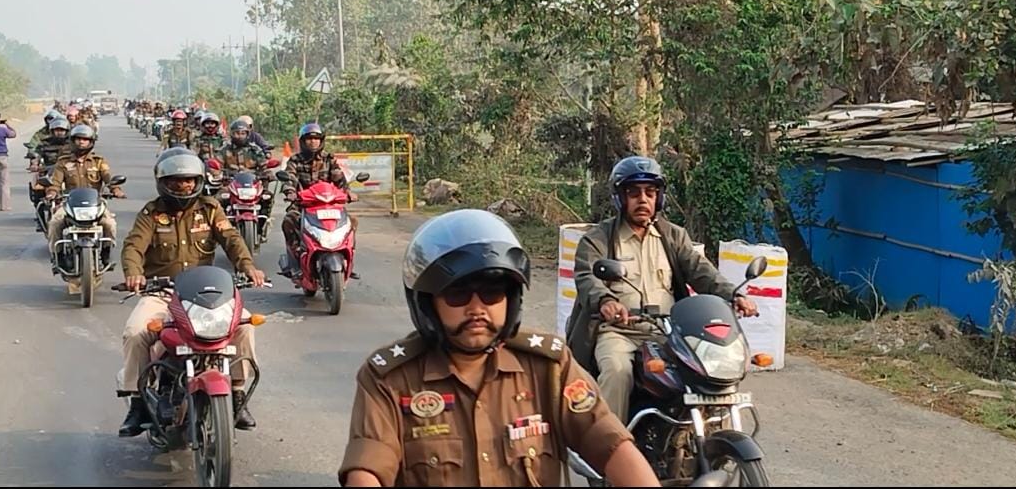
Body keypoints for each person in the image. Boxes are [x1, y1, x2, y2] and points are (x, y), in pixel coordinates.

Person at [337, 209, 660, 487]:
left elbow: (608, 443)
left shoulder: (549, 366)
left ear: (511, 300)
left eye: (492, 293)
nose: (477, 308)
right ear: (427, 303)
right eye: (458, 295)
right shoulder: (389, 379)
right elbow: (369, 469)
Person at [566, 156, 759, 424]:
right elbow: (587, 277)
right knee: (618, 372)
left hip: (666, 332)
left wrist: (732, 295)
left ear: (660, 198)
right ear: (620, 198)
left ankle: (713, 440)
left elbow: (701, 271)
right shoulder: (598, 239)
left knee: (706, 372)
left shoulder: (673, 236)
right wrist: (606, 301)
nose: (642, 200)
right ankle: (610, 451)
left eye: (650, 192)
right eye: (633, 193)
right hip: (618, 332)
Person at [117, 149, 267, 437]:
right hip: (164, 293)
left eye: (188, 181)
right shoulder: (152, 213)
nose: (183, 187)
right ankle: (136, 401)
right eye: (176, 181)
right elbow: (133, 246)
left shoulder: (210, 209)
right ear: (163, 182)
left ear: (198, 181)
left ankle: (237, 394)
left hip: (205, 294)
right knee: (136, 332)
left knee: (245, 326)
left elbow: (232, 239)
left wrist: (248, 266)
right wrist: (134, 273)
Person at [44, 124, 124, 293]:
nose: (82, 143)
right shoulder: (63, 162)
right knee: (55, 222)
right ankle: (57, 256)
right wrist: (52, 193)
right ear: (72, 141)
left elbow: (108, 178)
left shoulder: (99, 162)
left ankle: (106, 253)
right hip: (70, 204)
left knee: (110, 224)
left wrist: (115, 189)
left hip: (95, 204)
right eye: (79, 139)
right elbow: (56, 182)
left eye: (85, 140)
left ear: (91, 142)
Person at [279, 122, 354, 279]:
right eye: (309, 139)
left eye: (316, 138)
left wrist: (348, 192)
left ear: (321, 141)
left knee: (351, 223)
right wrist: (290, 192)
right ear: (303, 141)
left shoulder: (329, 159)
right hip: (303, 205)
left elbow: (339, 178)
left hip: (328, 205)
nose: (313, 142)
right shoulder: (295, 160)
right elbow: (289, 178)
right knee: (289, 221)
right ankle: (295, 260)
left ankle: (347, 258)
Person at [0, 111, 17, 211]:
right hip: (2, 157)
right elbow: (13, 134)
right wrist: (7, 125)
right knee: (4, 183)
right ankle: (5, 206)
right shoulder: (2, 130)